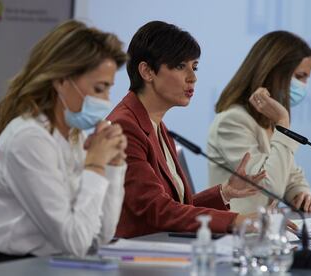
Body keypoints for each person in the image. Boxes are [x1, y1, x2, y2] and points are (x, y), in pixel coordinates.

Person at [0, 20, 128, 263]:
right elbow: (75, 242)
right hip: (6, 266)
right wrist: (96, 165)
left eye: (109, 89)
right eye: (99, 88)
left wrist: (113, 167)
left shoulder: (76, 136)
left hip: (47, 264)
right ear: (61, 81)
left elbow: (99, 236)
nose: (106, 100)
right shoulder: (29, 139)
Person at [108, 21, 271, 239]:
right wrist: (238, 220)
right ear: (147, 71)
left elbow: (176, 206)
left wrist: (224, 192)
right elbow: (158, 211)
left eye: (194, 67)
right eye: (179, 66)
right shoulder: (125, 127)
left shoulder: (155, 124)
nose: (192, 77)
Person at [207, 30, 311, 214]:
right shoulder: (233, 121)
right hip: (234, 234)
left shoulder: (267, 120)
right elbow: (269, 185)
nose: (304, 85)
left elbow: (288, 173)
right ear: (275, 72)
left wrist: (301, 192)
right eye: (300, 76)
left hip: (259, 232)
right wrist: (283, 122)